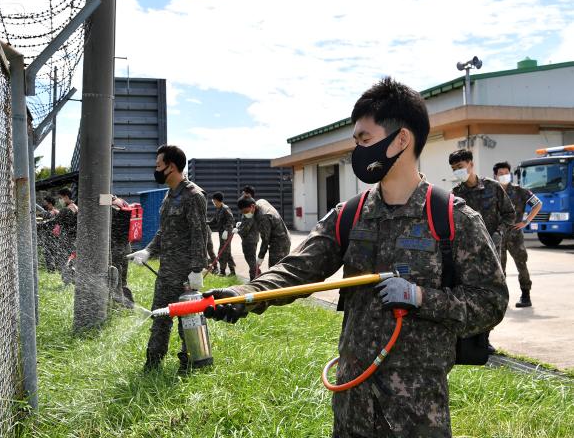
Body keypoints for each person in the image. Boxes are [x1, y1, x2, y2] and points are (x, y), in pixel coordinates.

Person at [205, 77, 508, 437]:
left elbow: (490, 302)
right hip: (353, 406)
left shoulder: (451, 217)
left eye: (364, 139)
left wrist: (423, 298)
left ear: (401, 139)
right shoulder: (351, 214)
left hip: (417, 413)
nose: (357, 149)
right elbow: (298, 269)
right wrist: (245, 295)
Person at [127, 144, 209, 371]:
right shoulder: (168, 196)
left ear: (171, 167)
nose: (155, 169)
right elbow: (164, 231)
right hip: (166, 273)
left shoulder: (194, 196)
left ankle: (192, 365)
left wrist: (196, 270)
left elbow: (199, 233)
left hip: (185, 275)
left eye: (158, 165)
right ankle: (152, 364)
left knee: (189, 323)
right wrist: (149, 251)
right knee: (160, 319)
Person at [493, 161, 542, 307]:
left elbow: (538, 204)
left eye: (506, 173)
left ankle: (525, 295)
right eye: (500, 174)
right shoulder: (492, 191)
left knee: (521, 265)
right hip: (498, 235)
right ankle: (501, 298)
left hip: (515, 236)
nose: (504, 176)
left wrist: (526, 221)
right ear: (495, 176)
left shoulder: (520, 191)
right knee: (499, 268)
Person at [449, 149, 515, 257]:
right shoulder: (454, 194)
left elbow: (509, 214)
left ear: (471, 164)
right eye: (453, 169)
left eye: (460, 167)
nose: (457, 171)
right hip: (468, 252)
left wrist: (499, 233)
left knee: (497, 274)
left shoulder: (493, 187)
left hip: (493, 249)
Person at [237, 196, 290, 272]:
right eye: (243, 213)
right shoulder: (260, 202)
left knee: (275, 269)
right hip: (278, 237)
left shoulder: (264, 217)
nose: (245, 214)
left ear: (252, 206)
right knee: (275, 268)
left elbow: (265, 240)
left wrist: (260, 257)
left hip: (280, 241)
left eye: (246, 212)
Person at [110, 195, 134, 307]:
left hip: (117, 248)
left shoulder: (112, 204)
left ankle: (120, 305)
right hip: (126, 245)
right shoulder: (122, 201)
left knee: (116, 278)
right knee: (123, 279)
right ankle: (128, 306)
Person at [207, 192, 236, 276]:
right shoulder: (218, 209)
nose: (213, 203)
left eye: (214, 201)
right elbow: (214, 220)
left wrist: (226, 230)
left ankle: (223, 271)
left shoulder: (225, 208)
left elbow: (231, 220)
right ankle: (232, 271)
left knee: (222, 252)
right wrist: (206, 222)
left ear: (217, 200)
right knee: (227, 252)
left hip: (226, 234)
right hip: (222, 234)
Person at [235, 185, 260, 279]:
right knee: (251, 260)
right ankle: (256, 274)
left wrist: (239, 231)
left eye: (244, 193)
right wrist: (240, 225)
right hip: (252, 238)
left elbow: (246, 228)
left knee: (251, 260)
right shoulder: (249, 205)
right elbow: (246, 222)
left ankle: (254, 278)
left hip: (249, 239)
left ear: (249, 194)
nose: (243, 194)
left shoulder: (250, 207)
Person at [57, 187, 79, 284]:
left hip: (68, 239)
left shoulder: (68, 209)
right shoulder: (75, 207)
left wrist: (39, 225)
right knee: (71, 258)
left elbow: (54, 221)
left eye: (60, 198)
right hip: (74, 238)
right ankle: (72, 278)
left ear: (66, 197)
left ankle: (68, 280)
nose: (60, 200)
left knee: (65, 259)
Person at [38, 196, 60, 272]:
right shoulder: (56, 212)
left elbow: (46, 222)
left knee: (49, 253)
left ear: (50, 204)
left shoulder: (53, 212)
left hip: (51, 236)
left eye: (45, 203)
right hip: (54, 236)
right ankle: (56, 269)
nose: (44, 204)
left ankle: (52, 270)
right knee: (54, 252)